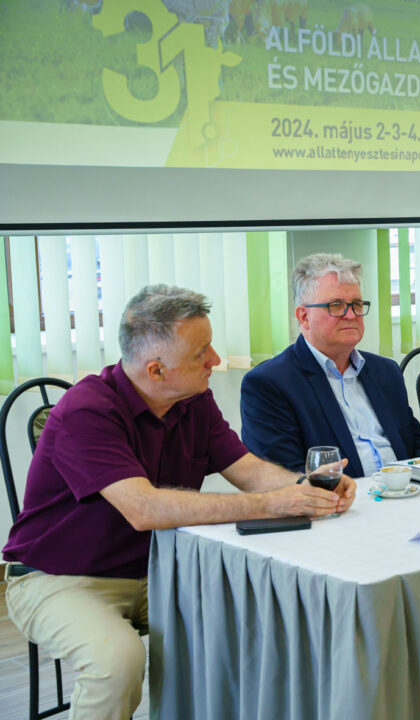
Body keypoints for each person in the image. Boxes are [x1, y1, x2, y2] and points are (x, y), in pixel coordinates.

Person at [3, 285, 355, 719]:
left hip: (159, 568)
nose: (216, 360)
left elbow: (248, 470)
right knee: (117, 661)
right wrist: (272, 504)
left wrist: (306, 486)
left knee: (261, 620)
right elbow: (144, 509)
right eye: (201, 353)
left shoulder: (193, 400)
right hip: (59, 577)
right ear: (156, 370)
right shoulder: (86, 410)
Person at [241, 253, 420, 474]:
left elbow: (418, 445)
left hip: (407, 489)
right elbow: (283, 476)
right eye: (336, 305)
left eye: (357, 304)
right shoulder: (270, 383)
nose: (351, 315)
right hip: (339, 495)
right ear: (304, 317)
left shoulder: (385, 371)